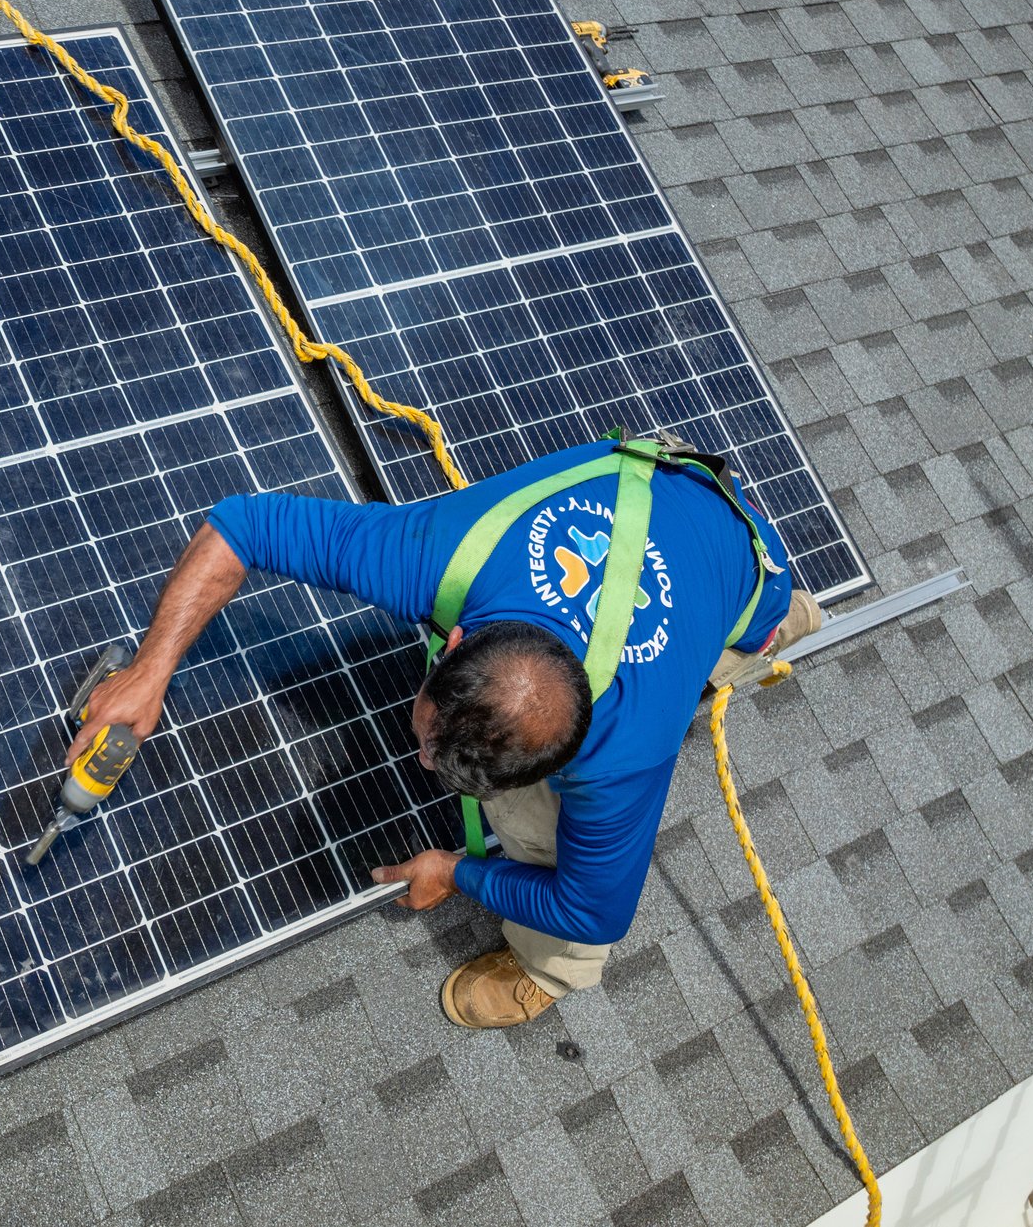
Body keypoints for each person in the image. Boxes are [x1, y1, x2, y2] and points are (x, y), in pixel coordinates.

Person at [68, 435, 821, 1029]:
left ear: (569, 759)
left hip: (739, 569)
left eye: (437, 757)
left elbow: (595, 910)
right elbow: (242, 525)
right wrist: (149, 669)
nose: (418, 756)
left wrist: (456, 870)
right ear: (456, 642)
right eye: (433, 739)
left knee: (536, 837)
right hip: (673, 485)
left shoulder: (626, 755)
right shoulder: (445, 549)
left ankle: (543, 973)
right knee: (702, 626)